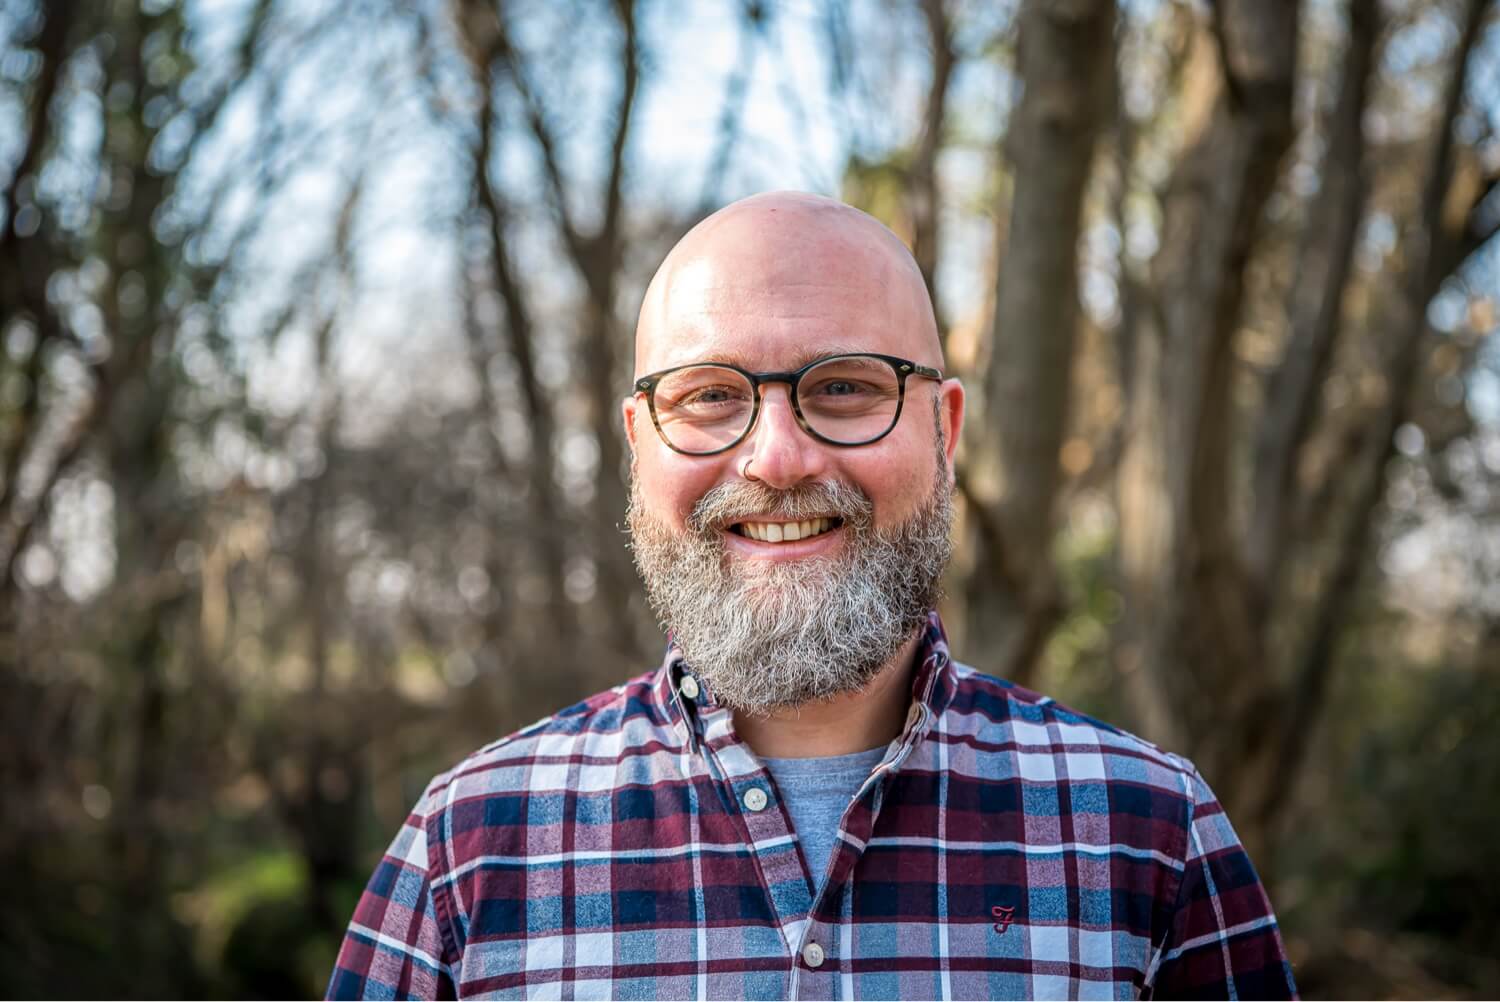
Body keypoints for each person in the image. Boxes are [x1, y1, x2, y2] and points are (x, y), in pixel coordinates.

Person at [327, 192, 1297, 1000]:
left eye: (843, 387)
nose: (778, 457)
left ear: (943, 431)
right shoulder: (468, 849)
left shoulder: (1150, 835)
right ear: (639, 442)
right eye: (708, 395)